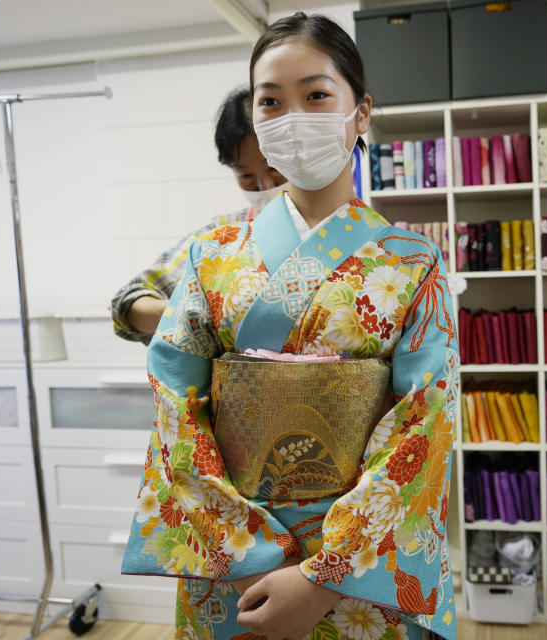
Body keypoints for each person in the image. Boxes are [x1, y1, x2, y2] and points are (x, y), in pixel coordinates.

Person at [120, 12, 458, 640]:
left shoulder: (412, 262)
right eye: (270, 101)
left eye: (317, 95)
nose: (292, 116)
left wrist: (324, 574)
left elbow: (427, 419)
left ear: (361, 112)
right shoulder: (210, 254)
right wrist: (245, 557)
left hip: (356, 563)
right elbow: (175, 405)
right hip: (231, 555)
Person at [110, 87, 288, 345]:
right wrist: (202, 314)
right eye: (246, 176)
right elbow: (127, 305)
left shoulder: (354, 232)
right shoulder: (223, 236)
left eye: (274, 168)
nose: (264, 186)